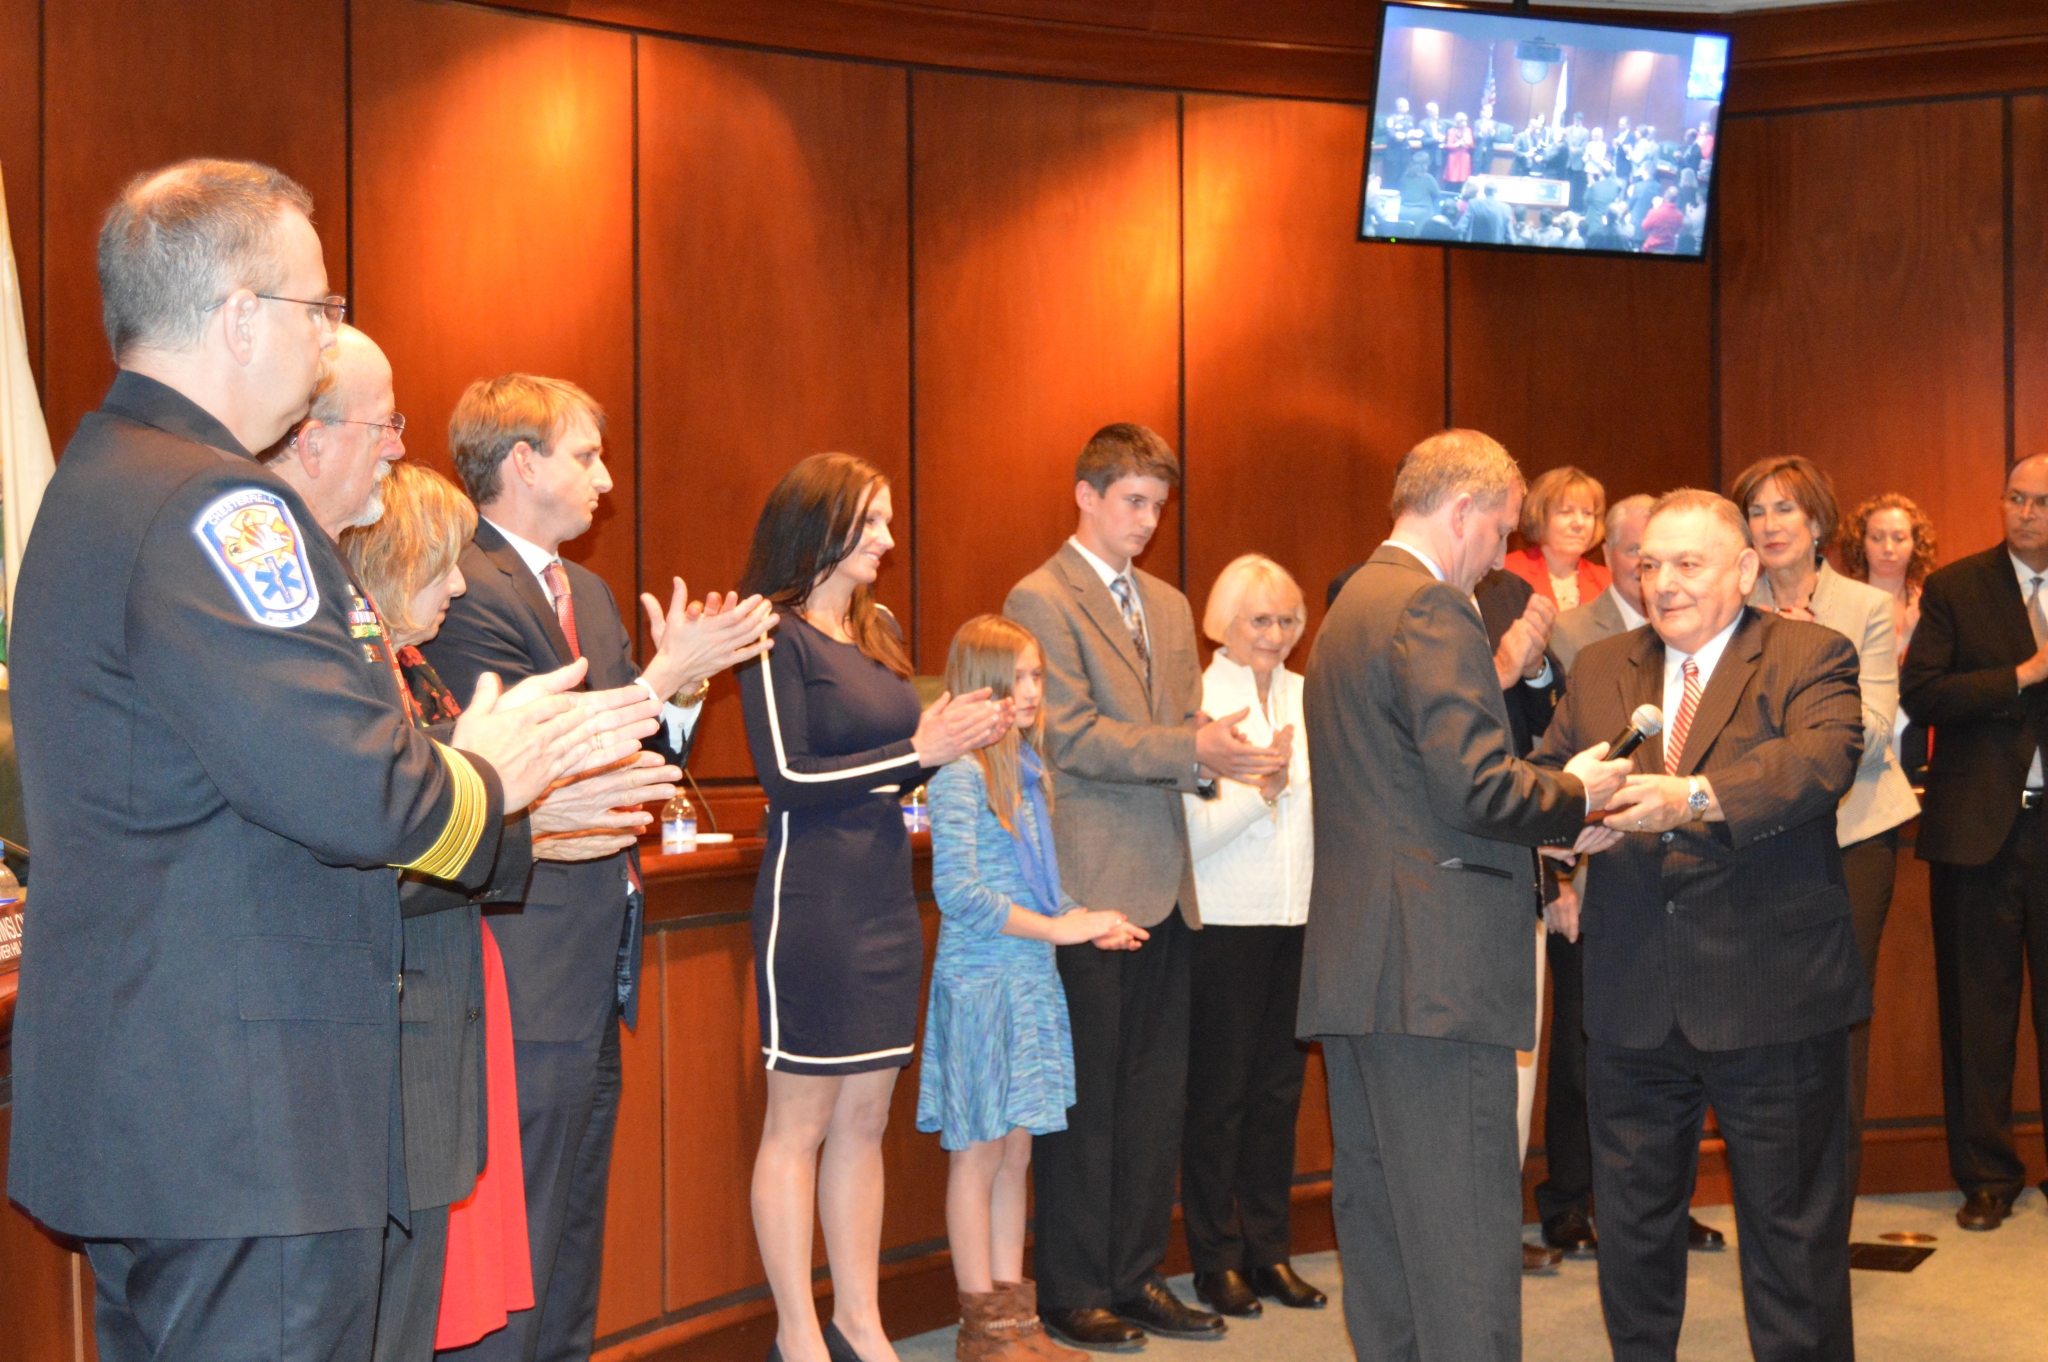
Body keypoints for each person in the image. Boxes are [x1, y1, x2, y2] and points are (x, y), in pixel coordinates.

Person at [6, 158, 645, 1362]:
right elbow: (358, 787)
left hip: (170, 1104)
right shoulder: (221, 511)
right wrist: (494, 769)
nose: (330, 334)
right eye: (322, 306)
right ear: (242, 315)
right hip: (255, 1123)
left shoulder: (103, 482)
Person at [426, 375, 775, 1362]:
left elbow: (640, 773)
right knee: (518, 1226)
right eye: (585, 455)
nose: (606, 478)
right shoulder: (461, 586)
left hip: (592, 956)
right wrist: (662, 678)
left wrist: (682, 690)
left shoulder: (584, 593)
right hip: (519, 956)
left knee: (574, 1223)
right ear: (521, 462)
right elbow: (526, 767)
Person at [1301, 429, 1628, 1362]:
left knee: (1387, 1225)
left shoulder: (1352, 604)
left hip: (1367, 967)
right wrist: (1580, 793)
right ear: (1462, 511)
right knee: (1464, 1238)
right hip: (1437, 974)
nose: (1499, 555)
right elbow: (1476, 786)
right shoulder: (1431, 609)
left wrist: (1558, 817)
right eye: (1499, 531)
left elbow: (1415, 789)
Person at [1532, 489, 1866, 1362]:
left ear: (1745, 569)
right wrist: (1571, 816)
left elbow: (1817, 764)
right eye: (1649, 566)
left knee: (1792, 1240)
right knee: (1635, 1241)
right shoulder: (1601, 663)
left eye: (1689, 564)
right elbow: (1539, 782)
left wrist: (1690, 799)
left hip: (1774, 997)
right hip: (1633, 996)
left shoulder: (1808, 651)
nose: (1664, 584)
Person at [1005, 424, 1284, 1351]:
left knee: (1154, 1098)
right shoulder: (1038, 598)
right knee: (1088, 1102)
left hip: (1168, 882)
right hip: (1088, 884)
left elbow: (1177, 731)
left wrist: (1221, 756)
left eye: (1159, 505)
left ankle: (1136, 1276)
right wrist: (1190, 750)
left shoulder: (1167, 604)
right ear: (1084, 495)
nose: (1148, 520)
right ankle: (1073, 1288)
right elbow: (1069, 735)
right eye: (1133, 502)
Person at [737, 453, 1005, 1362]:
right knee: (799, 1126)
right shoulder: (771, 633)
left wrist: (949, 737)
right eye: (875, 522)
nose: (891, 540)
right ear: (824, 525)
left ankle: (860, 1320)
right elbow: (788, 778)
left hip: (886, 900)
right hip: (813, 906)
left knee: (862, 1123)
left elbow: (903, 757)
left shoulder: (870, 629)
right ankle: (799, 1332)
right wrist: (919, 750)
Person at [917, 614, 1143, 1362]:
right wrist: (1059, 931)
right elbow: (962, 895)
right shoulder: (958, 777)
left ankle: (1018, 1320)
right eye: (1018, 677)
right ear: (979, 683)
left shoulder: (1026, 772)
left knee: (1018, 1153)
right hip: (984, 986)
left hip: (1030, 982)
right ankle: (980, 1330)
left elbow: (1040, 892)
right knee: (978, 1155)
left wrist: (1087, 918)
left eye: (1038, 676)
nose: (1031, 692)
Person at [1734, 456, 1921, 1202]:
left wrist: (1811, 660)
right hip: (1755, 834)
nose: (1771, 525)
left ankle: (1830, 1200)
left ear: (1817, 524)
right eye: (1756, 510)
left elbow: (1875, 732)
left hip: (1853, 835)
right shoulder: (1730, 603)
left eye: (1786, 510)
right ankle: (1773, 1191)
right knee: (1762, 1012)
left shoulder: (1864, 610)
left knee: (1837, 1015)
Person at [1176, 556, 1329, 1317]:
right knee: (1219, 1098)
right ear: (1223, 625)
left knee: (1277, 1095)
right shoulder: (1197, 699)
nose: (1275, 634)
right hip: (1224, 926)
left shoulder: (1311, 697)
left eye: (1287, 620)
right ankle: (1215, 1258)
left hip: (1299, 921)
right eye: (1258, 620)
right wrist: (1258, 794)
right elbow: (1188, 842)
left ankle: (1270, 1252)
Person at [1899, 453, 2048, 1232]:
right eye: (2016, 498)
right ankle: (1986, 1178)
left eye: (2043, 502)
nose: (2027, 513)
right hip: (1980, 832)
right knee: (1978, 1017)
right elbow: (1923, 692)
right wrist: (2021, 674)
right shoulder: (1958, 587)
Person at [1841, 492, 1938, 655]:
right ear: (1861, 544)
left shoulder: (1926, 603)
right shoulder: (1845, 606)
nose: (1888, 549)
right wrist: (1904, 636)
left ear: (1916, 544)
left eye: (1899, 538)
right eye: (1877, 538)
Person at [1506, 465, 1612, 611]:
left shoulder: (1607, 581)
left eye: (1587, 513)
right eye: (1566, 512)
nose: (1579, 523)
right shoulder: (1509, 572)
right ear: (1540, 516)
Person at [1641, 187, 1685, 254]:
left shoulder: (1654, 212)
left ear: (1665, 196)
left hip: (1651, 248)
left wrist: (1654, 208)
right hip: (1670, 249)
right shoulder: (1680, 215)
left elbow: (1644, 227)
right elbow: (1680, 230)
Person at [1444, 113, 1474, 185]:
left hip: (1464, 157)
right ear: (1457, 122)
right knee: (1453, 177)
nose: (1464, 123)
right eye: (1462, 121)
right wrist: (1457, 144)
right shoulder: (1451, 131)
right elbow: (1449, 145)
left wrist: (1467, 143)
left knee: (1464, 178)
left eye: (1465, 121)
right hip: (1454, 156)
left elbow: (1471, 144)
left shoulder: (1468, 130)